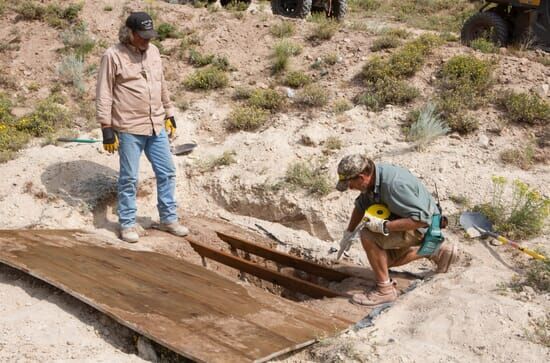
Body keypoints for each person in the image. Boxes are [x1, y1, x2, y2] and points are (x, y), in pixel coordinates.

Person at [96, 11, 188, 243]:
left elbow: (161, 83)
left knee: (167, 172)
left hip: (156, 124)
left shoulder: (154, 52)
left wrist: (169, 112)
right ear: (129, 34)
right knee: (129, 178)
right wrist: (106, 127)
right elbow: (104, 93)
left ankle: (168, 219)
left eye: (150, 35)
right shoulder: (113, 55)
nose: (147, 40)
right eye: (143, 36)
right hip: (129, 127)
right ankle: (127, 223)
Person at [336, 154, 458, 306]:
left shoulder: (395, 186)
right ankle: (437, 250)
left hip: (423, 226)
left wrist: (385, 227)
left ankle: (384, 291)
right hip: (407, 219)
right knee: (383, 261)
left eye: (350, 184)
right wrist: (348, 232)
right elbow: (361, 205)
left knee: (368, 235)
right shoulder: (373, 177)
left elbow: (422, 219)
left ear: (361, 177)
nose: (350, 188)